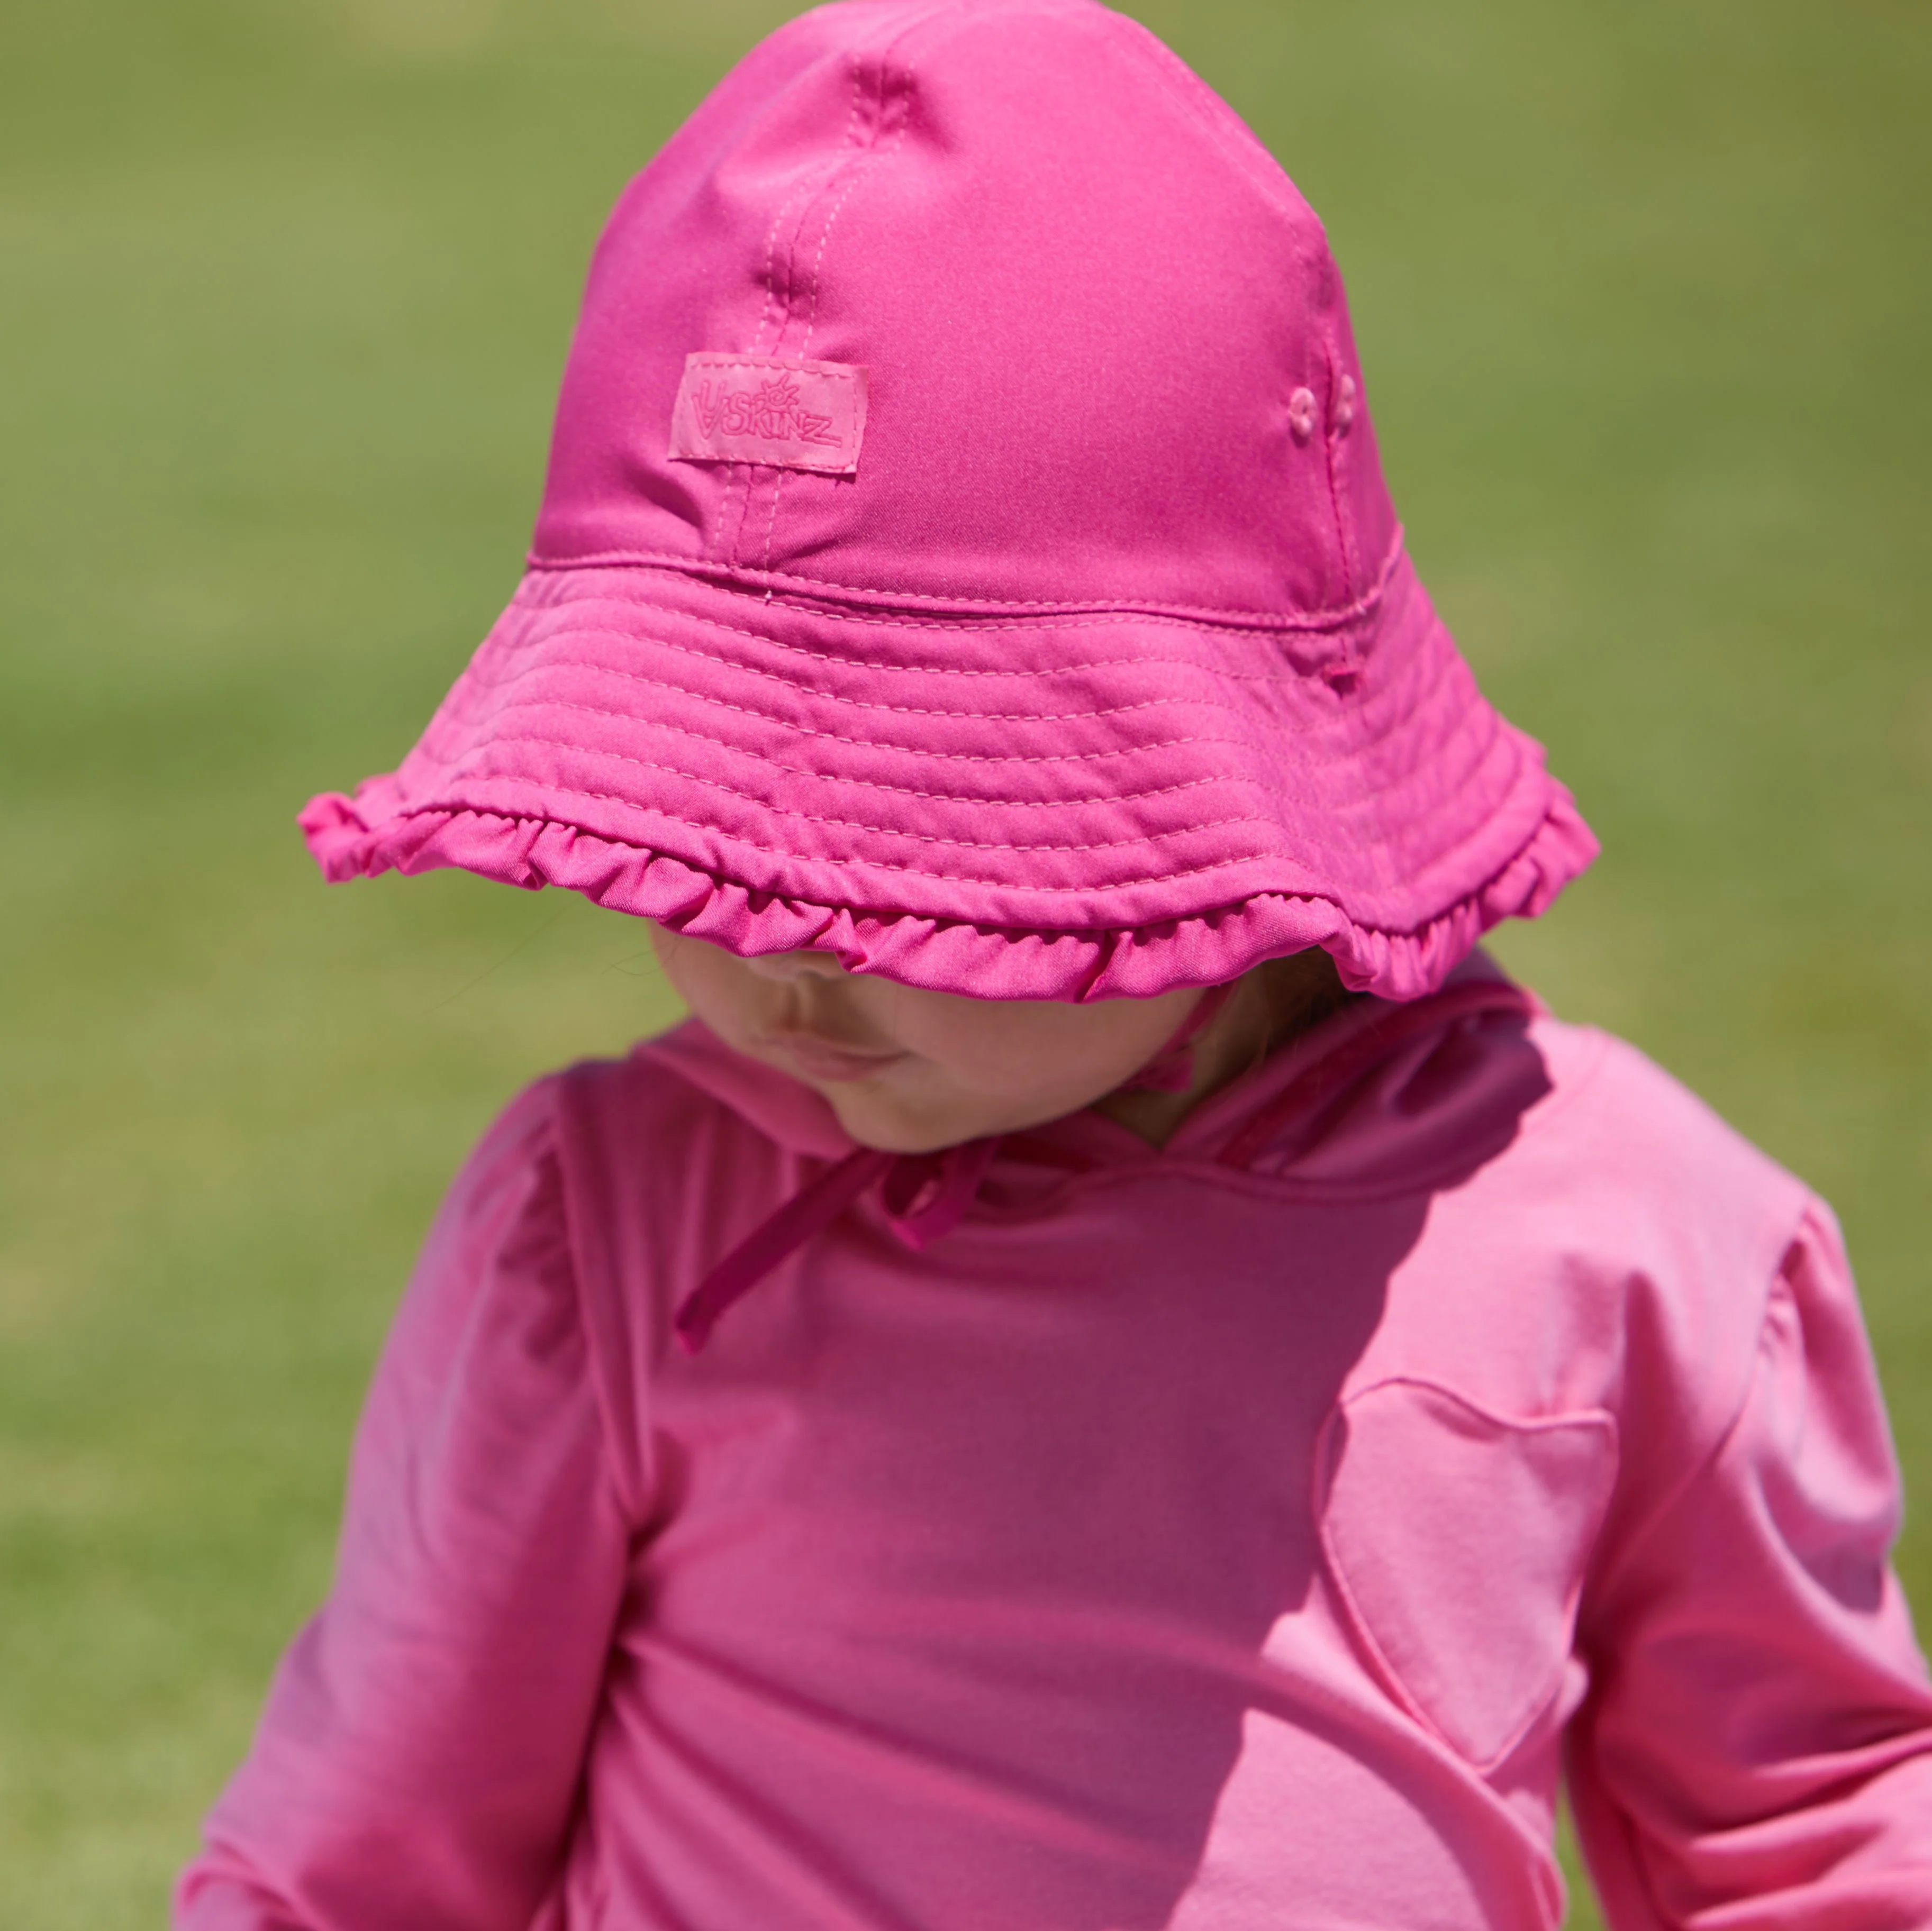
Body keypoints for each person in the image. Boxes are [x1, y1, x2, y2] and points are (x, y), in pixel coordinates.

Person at [175, 2, 1932, 1926]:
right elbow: (357, 1867)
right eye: (706, 835)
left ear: (1230, 784)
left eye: (906, 849)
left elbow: (1813, 1832)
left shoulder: (1608, 1240)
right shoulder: (613, 1228)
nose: (777, 953)